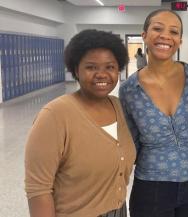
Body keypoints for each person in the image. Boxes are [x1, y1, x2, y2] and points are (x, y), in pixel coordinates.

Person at [24, 29, 136, 217]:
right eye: (91, 67)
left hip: (118, 211)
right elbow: (38, 189)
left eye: (110, 67)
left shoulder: (118, 106)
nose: (101, 74)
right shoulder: (55, 115)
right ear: (76, 70)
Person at [119, 8, 188, 217]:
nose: (165, 36)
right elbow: (130, 141)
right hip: (151, 187)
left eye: (174, 32)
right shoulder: (129, 89)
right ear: (144, 35)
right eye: (157, 28)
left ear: (180, 41)